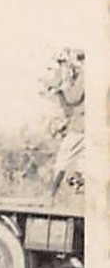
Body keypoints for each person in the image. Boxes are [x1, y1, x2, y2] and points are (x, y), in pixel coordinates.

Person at [46, 48, 86, 200]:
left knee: (63, 157)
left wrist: (62, 89)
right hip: (89, 125)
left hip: (82, 126)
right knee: (82, 162)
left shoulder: (86, 74)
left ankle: (51, 194)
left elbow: (74, 98)